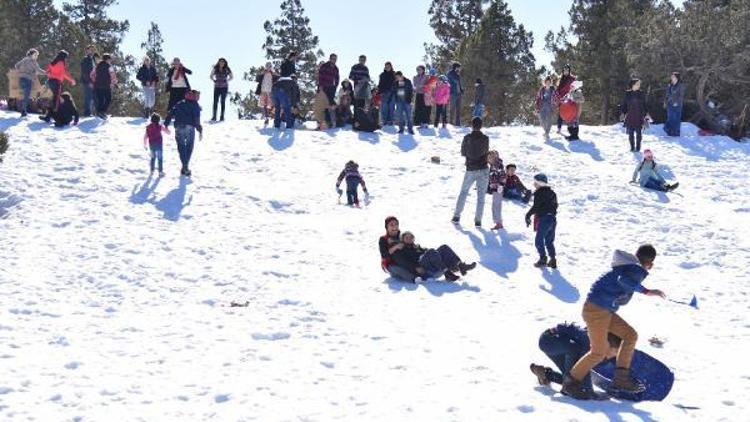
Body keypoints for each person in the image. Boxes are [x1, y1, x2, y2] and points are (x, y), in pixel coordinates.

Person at [563, 245, 667, 400]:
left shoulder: (628, 267)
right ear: (650, 264)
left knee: (630, 335)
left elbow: (621, 287)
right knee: (598, 352)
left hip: (602, 310)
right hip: (597, 311)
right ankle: (570, 384)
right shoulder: (634, 269)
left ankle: (621, 378)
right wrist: (647, 291)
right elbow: (623, 281)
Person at [530, 323, 623, 398]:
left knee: (574, 380)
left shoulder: (603, 352)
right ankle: (568, 388)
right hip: (549, 341)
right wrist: (590, 392)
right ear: (607, 345)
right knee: (575, 381)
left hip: (562, 346)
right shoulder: (590, 341)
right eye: (615, 351)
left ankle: (546, 374)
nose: (615, 355)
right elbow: (571, 328)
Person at [391, 231, 476, 283]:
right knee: (431, 251)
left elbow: (431, 254)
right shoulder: (402, 250)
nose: (409, 239)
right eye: (407, 237)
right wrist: (415, 267)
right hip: (423, 271)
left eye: (411, 237)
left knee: (444, 247)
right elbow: (404, 263)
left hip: (431, 266)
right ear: (402, 239)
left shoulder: (418, 247)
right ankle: (448, 273)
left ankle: (460, 266)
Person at [452, 117, 490, 227]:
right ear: (481, 126)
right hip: (483, 168)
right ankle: (478, 220)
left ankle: (456, 216)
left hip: (471, 169)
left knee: (464, 192)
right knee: (481, 196)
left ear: (472, 125)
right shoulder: (485, 138)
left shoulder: (467, 138)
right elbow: (486, 151)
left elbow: (463, 152)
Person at [165, 90, 203, 177]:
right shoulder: (195, 105)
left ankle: (184, 167)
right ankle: (185, 167)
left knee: (181, 147)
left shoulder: (179, 103)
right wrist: (200, 130)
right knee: (189, 147)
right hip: (190, 127)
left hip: (179, 127)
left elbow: (170, 113)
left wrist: (166, 124)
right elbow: (197, 120)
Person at [525, 173, 558, 269]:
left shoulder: (539, 193)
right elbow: (556, 206)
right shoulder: (552, 193)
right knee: (549, 241)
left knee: (538, 240)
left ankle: (543, 259)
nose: (534, 184)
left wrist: (528, 215)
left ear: (540, 183)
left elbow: (536, 207)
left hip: (544, 219)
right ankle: (553, 259)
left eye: (535, 182)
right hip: (552, 219)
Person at [40, 50, 76, 123]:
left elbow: (47, 72)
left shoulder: (53, 62)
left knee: (51, 100)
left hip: (50, 82)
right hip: (56, 83)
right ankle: (58, 118)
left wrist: (51, 76)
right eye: (66, 57)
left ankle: (48, 116)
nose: (66, 59)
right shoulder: (61, 63)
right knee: (56, 102)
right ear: (63, 57)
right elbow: (64, 74)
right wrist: (71, 80)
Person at [379, 216, 418, 282]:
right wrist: (395, 247)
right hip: (390, 264)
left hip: (405, 260)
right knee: (397, 269)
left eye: (396, 224)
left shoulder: (402, 235)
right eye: (391, 225)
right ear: (387, 227)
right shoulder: (383, 239)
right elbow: (384, 255)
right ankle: (414, 278)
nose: (394, 227)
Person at [14, 48, 46, 117]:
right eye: (36, 55)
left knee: (23, 95)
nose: (36, 57)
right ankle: (23, 111)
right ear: (32, 54)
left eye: (37, 55)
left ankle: (22, 108)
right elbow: (38, 70)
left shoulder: (24, 59)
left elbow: (16, 65)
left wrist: (22, 71)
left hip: (21, 79)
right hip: (28, 79)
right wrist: (46, 73)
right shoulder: (33, 62)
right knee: (26, 96)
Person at [621, 78, 650, 152]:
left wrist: (646, 114)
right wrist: (623, 113)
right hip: (630, 115)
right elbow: (624, 104)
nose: (639, 85)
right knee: (630, 133)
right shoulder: (627, 93)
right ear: (633, 85)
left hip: (639, 116)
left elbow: (645, 104)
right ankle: (632, 147)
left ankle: (638, 147)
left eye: (639, 84)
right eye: (637, 84)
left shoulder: (641, 93)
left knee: (639, 133)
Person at [90, 53, 117, 119]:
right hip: (106, 86)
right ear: (107, 59)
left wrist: (95, 80)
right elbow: (113, 76)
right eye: (110, 59)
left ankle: (100, 113)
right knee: (108, 99)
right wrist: (114, 83)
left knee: (101, 100)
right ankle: (102, 112)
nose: (110, 61)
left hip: (98, 86)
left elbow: (91, 75)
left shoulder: (97, 66)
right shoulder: (109, 66)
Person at [318, 54, 340, 128]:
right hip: (324, 87)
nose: (334, 60)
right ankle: (322, 122)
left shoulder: (336, 68)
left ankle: (330, 121)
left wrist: (335, 86)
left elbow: (337, 78)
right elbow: (320, 75)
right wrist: (320, 86)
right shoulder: (324, 66)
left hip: (331, 88)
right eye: (333, 58)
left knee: (330, 104)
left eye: (335, 59)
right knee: (323, 104)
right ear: (330, 58)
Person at [487, 150, 506, 230]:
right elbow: (492, 177)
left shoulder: (498, 165)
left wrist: (501, 185)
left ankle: (499, 223)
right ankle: (497, 222)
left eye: (492, 157)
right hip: (495, 188)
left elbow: (503, 175)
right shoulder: (492, 165)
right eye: (489, 157)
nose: (490, 159)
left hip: (498, 188)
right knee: (494, 205)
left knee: (496, 206)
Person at [209, 58, 233, 122]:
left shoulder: (227, 69)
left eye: (223, 62)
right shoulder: (215, 68)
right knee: (215, 101)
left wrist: (227, 80)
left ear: (225, 63)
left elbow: (232, 77)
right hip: (217, 87)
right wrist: (214, 80)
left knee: (222, 101)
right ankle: (214, 116)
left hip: (224, 87)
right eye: (220, 62)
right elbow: (211, 75)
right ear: (218, 62)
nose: (222, 63)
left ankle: (222, 117)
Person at [555, 64, 577, 134]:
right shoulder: (560, 79)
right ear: (563, 71)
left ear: (569, 71)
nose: (566, 71)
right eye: (565, 70)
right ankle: (559, 128)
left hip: (569, 98)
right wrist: (557, 97)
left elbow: (575, 87)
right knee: (560, 113)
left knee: (570, 113)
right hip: (561, 98)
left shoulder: (572, 79)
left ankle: (571, 128)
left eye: (567, 70)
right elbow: (557, 89)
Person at [664, 72, 685, 136]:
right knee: (670, 118)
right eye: (671, 76)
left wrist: (677, 103)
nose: (672, 77)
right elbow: (667, 95)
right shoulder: (669, 85)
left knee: (676, 119)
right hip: (670, 104)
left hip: (677, 105)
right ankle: (669, 131)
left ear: (677, 78)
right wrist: (665, 102)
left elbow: (681, 96)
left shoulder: (680, 85)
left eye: (673, 76)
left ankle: (676, 132)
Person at [80, 45, 96, 117]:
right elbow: (84, 72)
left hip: (92, 81)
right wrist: (89, 82)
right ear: (87, 51)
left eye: (93, 49)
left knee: (92, 97)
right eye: (90, 49)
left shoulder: (92, 59)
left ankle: (90, 112)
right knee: (88, 97)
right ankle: (87, 113)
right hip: (87, 82)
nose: (92, 51)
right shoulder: (85, 59)